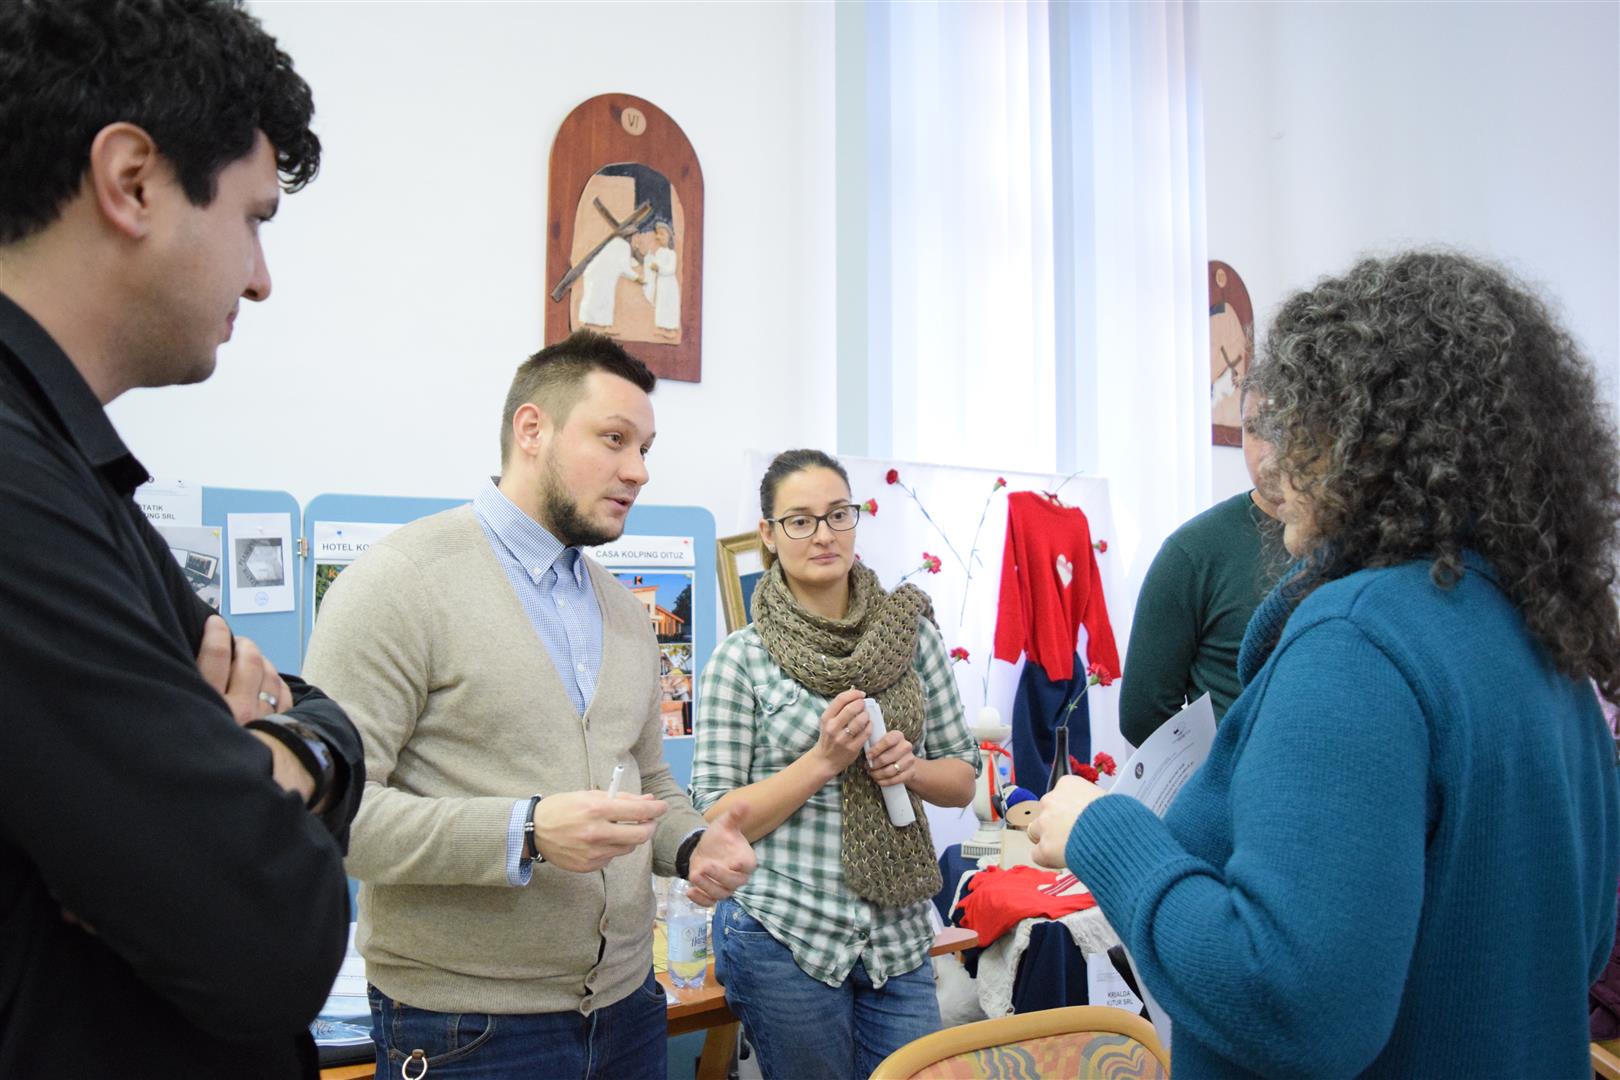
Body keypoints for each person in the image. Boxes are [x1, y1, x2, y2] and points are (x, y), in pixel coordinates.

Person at [1030, 251, 1620, 1077]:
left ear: (1372, 443)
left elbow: (1290, 1004)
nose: (1273, 466)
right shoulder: (1542, 633)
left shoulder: (1355, 644)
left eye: (1302, 427)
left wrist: (1106, 834)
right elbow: (1581, 941)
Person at [0, 2, 365, 1076]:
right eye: (252, 219)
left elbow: (316, 710)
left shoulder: (76, 477)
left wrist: (284, 752)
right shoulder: (18, 493)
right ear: (132, 182)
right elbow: (267, 935)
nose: (260, 276)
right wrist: (265, 771)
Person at [302, 331, 756, 1079]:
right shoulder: (399, 582)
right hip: (464, 1026)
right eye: (614, 439)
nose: (639, 471)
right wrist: (526, 831)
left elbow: (647, 782)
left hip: (628, 1008)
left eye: (646, 449)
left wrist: (691, 844)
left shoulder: (624, 611)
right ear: (532, 429)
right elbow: (331, 815)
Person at [690, 449, 979, 1079]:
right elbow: (715, 819)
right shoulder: (741, 660)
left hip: (898, 935)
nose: (823, 534)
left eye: (838, 514)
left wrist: (910, 770)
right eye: (800, 520)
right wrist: (823, 761)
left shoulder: (912, 637)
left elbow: (961, 779)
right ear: (768, 534)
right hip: (784, 933)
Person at [1118, 384, 1284, 746]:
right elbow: (1143, 715)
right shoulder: (1192, 551)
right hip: (1231, 774)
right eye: (1254, 428)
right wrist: (1213, 770)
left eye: (1284, 426)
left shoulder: (1366, 544)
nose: (1268, 451)